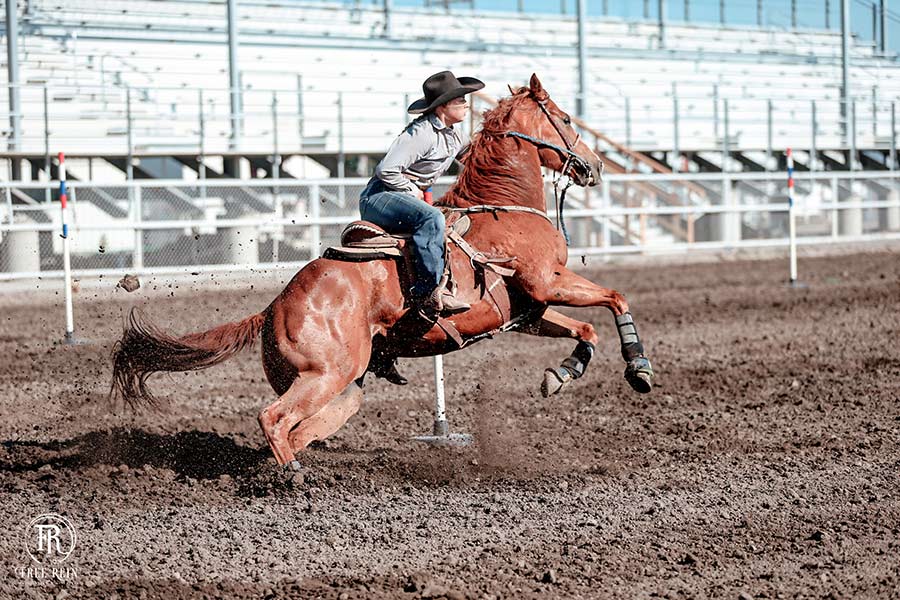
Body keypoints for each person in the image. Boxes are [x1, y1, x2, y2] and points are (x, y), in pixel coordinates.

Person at [359, 70, 484, 316]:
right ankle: (429, 292)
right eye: (459, 100)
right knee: (432, 218)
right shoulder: (421, 133)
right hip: (379, 196)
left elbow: (473, 158)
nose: (465, 104)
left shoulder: (454, 134)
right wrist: (412, 189)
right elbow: (386, 170)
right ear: (443, 107)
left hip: (400, 196)